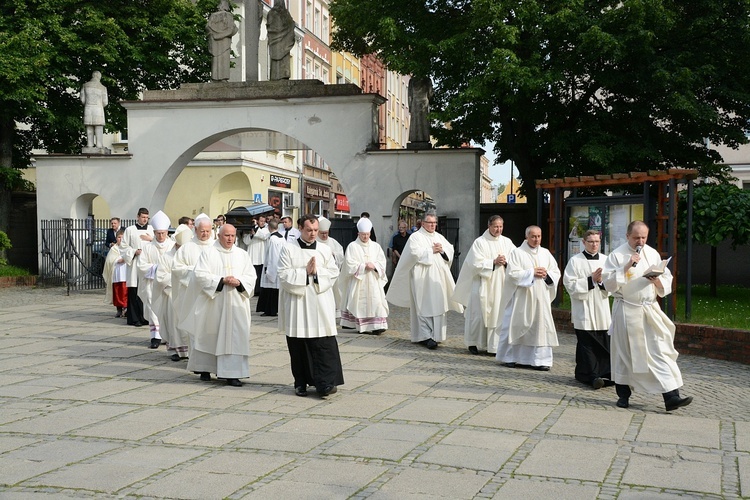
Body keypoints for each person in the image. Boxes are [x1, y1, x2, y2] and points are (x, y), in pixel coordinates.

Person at [602, 220, 692, 411]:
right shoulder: (616, 255)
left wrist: (657, 280)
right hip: (626, 310)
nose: (640, 241)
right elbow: (608, 284)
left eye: (643, 237)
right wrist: (626, 267)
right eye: (636, 237)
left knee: (660, 351)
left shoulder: (652, 253)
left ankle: (671, 397)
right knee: (625, 354)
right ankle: (623, 395)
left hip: (649, 310)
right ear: (627, 236)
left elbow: (666, 278)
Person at [278, 214, 344, 397]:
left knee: (323, 344)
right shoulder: (288, 250)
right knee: (298, 346)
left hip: (320, 304)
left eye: (315, 230)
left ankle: (326, 382)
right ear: (300, 228)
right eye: (309, 230)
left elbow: (333, 273)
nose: (313, 233)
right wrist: (304, 272)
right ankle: (300, 383)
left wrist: (316, 273)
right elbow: (283, 275)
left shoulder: (324, 250)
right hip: (297, 304)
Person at [187, 224, 256, 387]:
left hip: (236, 302)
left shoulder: (242, 254)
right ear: (219, 236)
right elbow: (200, 275)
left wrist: (239, 282)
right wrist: (221, 280)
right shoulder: (209, 253)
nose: (230, 239)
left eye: (233, 236)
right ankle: (205, 368)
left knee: (235, 337)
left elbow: (251, 276)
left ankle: (232, 374)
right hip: (214, 303)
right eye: (227, 235)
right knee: (211, 335)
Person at [386, 211, 462, 349]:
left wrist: (443, 250)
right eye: (430, 223)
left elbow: (449, 251)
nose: (433, 225)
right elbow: (414, 254)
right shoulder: (416, 237)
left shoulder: (439, 236)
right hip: (422, 277)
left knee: (439, 304)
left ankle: (437, 335)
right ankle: (425, 336)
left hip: (438, 278)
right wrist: (431, 250)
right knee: (423, 305)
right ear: (423, 223)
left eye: (434, 223)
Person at [496, 225, 560, 370]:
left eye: (539, 236)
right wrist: (532, 273)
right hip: (522, 297)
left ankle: (540, 360)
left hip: (540, 297)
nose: (536, 239)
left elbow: (555, 272)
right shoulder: (517, 253)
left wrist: (546, 275)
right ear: (527, 237)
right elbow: (512, 274)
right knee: (516, 324)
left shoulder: (545, 253)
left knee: (540, 328)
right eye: (533, 236)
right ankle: (511, 357)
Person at [452, 215, 515, 355]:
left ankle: (494, 346)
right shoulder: (480, 242)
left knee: (498, 314)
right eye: (495, 226)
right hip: (482, 283)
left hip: (500, 284)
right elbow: (474, 264)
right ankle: (473, 342)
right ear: (489, 226)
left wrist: (506, 262)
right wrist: (492, 262)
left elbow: (516, 259)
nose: (498, 229)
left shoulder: (507, 242)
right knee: (478, 315)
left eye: (500, 226)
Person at [563, 230, 613, 389]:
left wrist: (601, 282)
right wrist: (590, 281)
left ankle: (606, 374)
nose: (594, 244)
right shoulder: (575, 261)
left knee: (604, 342)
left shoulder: (606, 260)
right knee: (587, 344)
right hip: (583, 308)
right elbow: (569, 285)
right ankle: (592, 376)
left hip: (601, 307)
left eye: (597, 242)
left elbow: (612, 284)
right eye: (591, 241)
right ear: (584, 242)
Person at [172, 216, 215, 360]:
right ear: (195, 229)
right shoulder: (186, 248)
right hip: (192, 294)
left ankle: (210, 359)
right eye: (202, 231)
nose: (205, 234)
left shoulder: (216, 247)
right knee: (194, 327)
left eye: (208, 231)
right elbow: (177, 268)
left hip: (211, 295)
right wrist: (196, 273)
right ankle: (195, 359)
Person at [339, 218, 389, 334]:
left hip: (373, 280)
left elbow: (382, 262)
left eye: (367, 234)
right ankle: (362, 326)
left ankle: (377, 326)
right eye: (363, 235)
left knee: (376, 301)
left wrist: (375, 265)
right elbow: (349, 263)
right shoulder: (352, 246)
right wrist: (363, 266)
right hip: (359, 280)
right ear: (358, 234)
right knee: (360, 302)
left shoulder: (376, 246)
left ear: (370, 233)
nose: (365, 237)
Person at [137, 211, 175, 349]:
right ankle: (155, 337)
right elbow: (141, 265)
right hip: (152, 284)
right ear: (154, 232)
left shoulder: (173, 246)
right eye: (158, 233)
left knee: (168, 310)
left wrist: (164, 272)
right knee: (153, 308)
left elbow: (177, 264)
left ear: (167, 232)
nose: (161, 236)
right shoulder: (148, 247)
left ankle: (167, 336)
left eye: (163, 233)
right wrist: (157, 269)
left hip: (168, 283)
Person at [156, 224, 192, 361]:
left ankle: (190, 350)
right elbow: (160, 277)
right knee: (174, 323)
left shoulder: (192, 255)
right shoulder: (167, 257)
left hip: (188, 294)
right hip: (171, 294)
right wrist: (176, 282)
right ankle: (176, 350)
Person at [120, 208, 153, 327]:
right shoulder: (130, 230)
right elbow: (123, 247)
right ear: (137, 217)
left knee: (147, 291)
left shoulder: (152, 230)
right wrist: (134, 251)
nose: (145, 219)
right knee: (134, 291)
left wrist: (151, 239)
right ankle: (134, 319)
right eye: (143, 217)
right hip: (134, 264)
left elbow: (159, 244)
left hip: (148, 265)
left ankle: (146, 317)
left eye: (146, 217)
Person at [316, 216, 345, 318]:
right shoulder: (314, 242)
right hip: (320, 272)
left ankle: (337, 309)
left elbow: (341, 254)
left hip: (332, 273)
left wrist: (334, 255)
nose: (324, 235)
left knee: (335, 290)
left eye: (326, 233)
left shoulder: (332, 242)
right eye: (322, 233)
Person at [257, 219, 285, 316]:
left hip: (273, 266)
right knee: (272, 290)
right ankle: (271, 310)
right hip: (279, 265)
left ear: (269, 227)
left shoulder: (273, 239)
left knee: (270, 290)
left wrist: (270, 270)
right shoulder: (281, 237)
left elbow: (273, 255)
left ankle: (270, 310)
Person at [206, 0, 238, 81]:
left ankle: (215, 78)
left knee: (217, 59)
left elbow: (208, 27)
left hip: (216, 42)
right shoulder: (228, 15)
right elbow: (231, 29)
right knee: (223, 59)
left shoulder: (213, 16)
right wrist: (222, 34)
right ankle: (222, 78)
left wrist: (216, 34)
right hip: (224, 42)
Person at [267, 0, 295, 80]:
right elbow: (291, 24)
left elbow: (269, 27)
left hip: (276, 41)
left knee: (277, 60)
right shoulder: (285, 13)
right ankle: (283, 74)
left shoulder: (272, 13)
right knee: (282, 59)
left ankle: (277, 75)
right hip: (283, 41)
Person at [242, 215, 270, 296]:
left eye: (264, 221)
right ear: (257, 221)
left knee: (260, 274)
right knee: (253, 273)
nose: (262, 223)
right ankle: (253, 289)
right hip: (253, 254)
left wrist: (255, 229)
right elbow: (246, 241)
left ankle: (259, 290)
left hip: (261, 255)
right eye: (261, 221)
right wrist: (251, 235)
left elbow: (264, 236)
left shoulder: (266, 229)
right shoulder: (250, 229)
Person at [103, 228, 127, 318]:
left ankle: (126, 308)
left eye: (123, 237)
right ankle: (119, 309)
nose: (121, 239)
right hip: (117, 273)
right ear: (116, 238)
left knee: (125, 291)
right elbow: (109, 260)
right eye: (119, 237)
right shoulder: (114, 249)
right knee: (117, 291)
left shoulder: (128, 248)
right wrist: (117, 259)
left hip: (126, 273)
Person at [80, 71, 108, 150]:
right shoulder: (103, 87)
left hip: (88, 108)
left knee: (89, 126)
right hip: (98, 109)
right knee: (98, 126)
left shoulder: (85, 86)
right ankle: (99, 145)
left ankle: (89, 145)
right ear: (99, 77)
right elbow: (105, 102)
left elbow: (82, 100)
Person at [407, 76, 433, 145]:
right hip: (424, 102)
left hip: (415, 103)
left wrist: (410, 106)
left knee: (415, 121)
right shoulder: (427, 80)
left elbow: (409, 95)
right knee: (424, 121)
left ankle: (414, 138)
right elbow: (430, 94)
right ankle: (424, 138)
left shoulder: (412, 81)